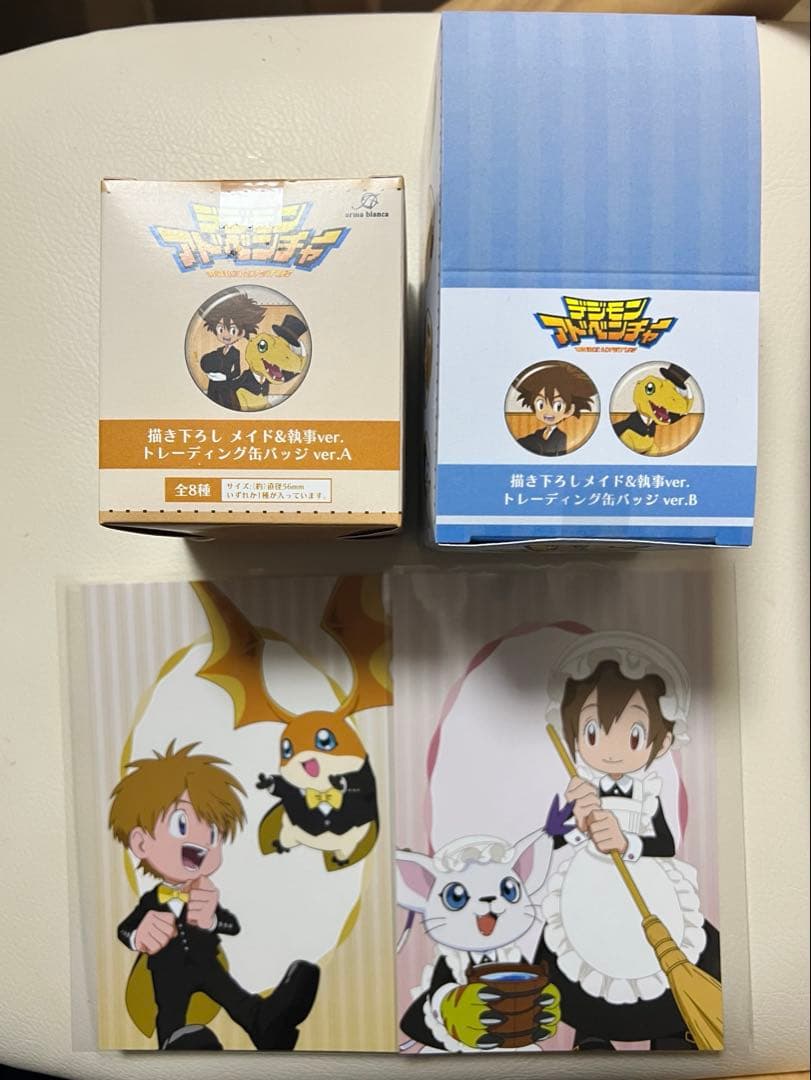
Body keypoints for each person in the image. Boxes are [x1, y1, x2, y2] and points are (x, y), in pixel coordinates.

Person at [537, 632, 720, 1050]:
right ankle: (592, 1032)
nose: (613, 750)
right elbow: (554, 839)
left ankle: (672, 1029)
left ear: (663, 740)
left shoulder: (648, 794)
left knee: (663, 954)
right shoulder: (581, 790)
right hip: (589, 890)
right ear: (573, 735)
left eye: (634, 735)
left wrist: (626, 842)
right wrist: (575, 823)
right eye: (593, 732)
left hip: (646, 885)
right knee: (584, 950)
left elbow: (665, 843)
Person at [109, 740, 319, 1050]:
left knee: (236, 997)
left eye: (212, 835)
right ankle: (175, 1043)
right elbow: (124, 929)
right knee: (170, 1011)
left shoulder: (204, 894)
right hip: (168, 970)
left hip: (205, 961)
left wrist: (210, 921)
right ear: (141, 843)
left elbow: (231, 925)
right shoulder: (152, 901)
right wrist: (139, 935)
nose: (202, 845)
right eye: (181, 824)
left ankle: (266, 1024)